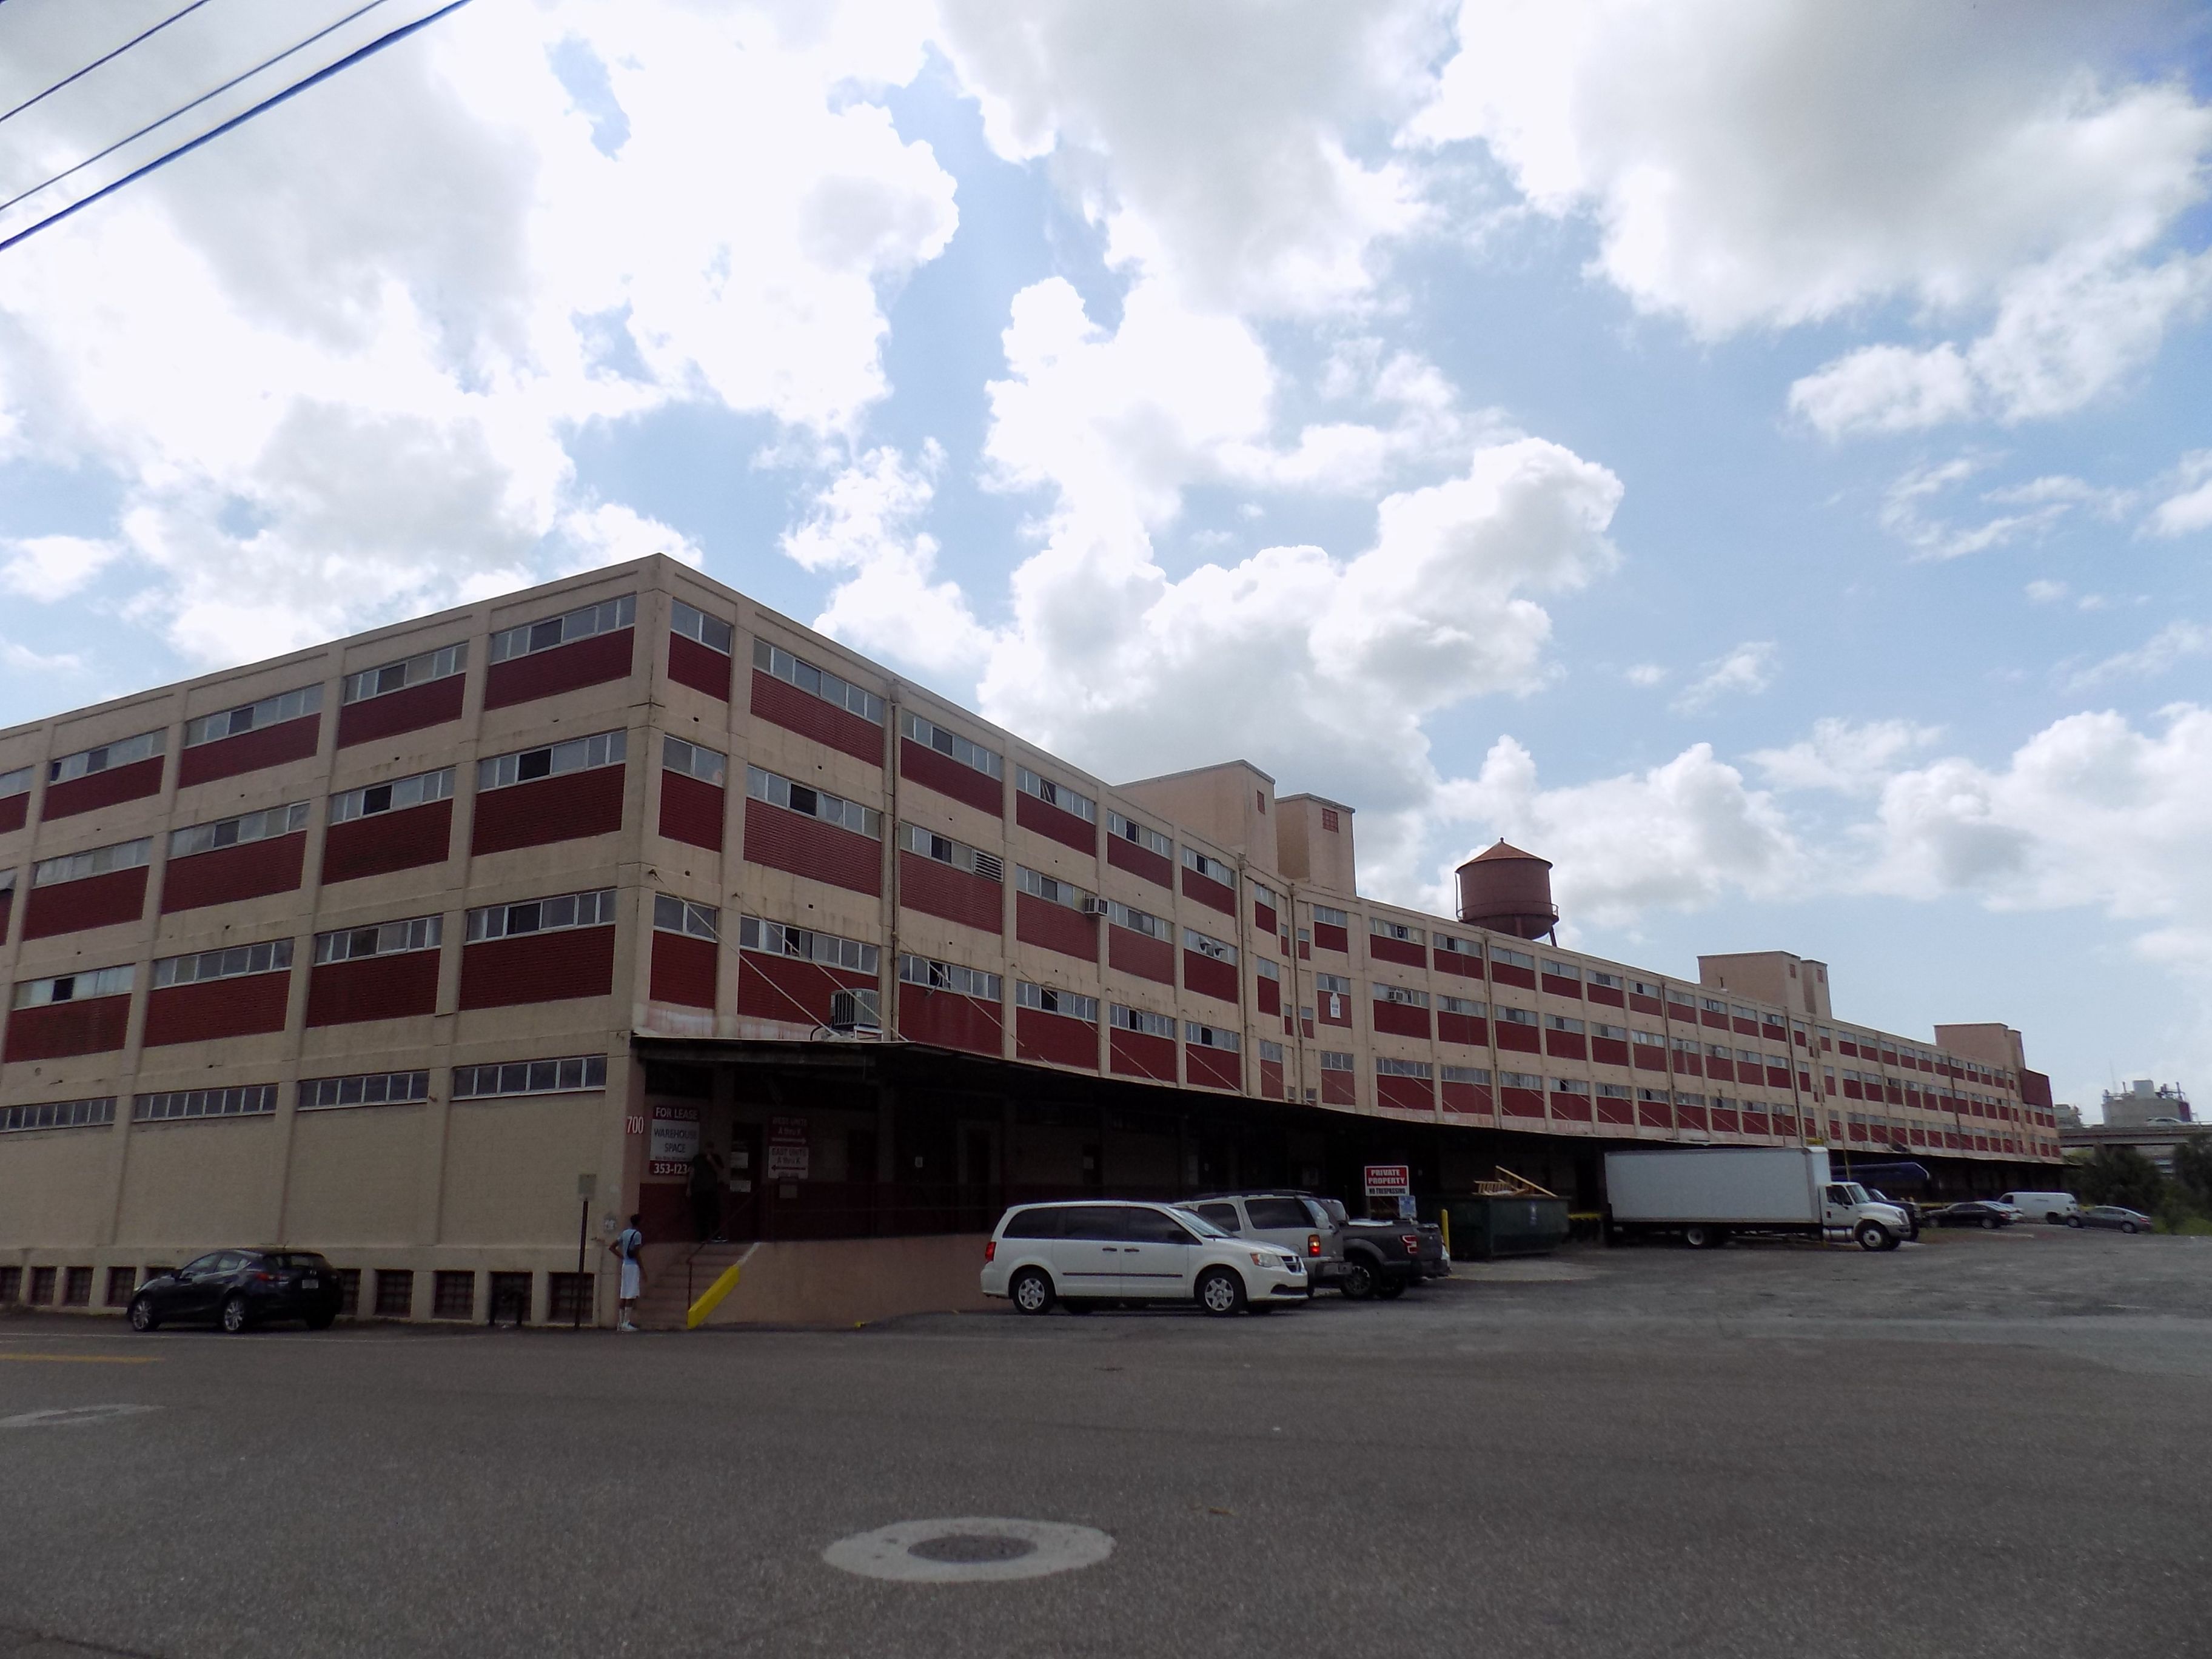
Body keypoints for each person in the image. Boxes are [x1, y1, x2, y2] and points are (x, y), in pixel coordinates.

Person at [608, 1213, 643, 1331]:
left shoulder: (625, 1233)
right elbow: (637, 1253)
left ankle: (620, 1322)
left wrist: (622, 1257)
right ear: (639, 1223)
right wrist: (642, 1268)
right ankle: (626, 1322)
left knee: (624, 1292)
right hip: (633, 1266)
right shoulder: (637, 1235)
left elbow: (612, 1247)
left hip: (625, 1265)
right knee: (631, 1293)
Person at [688, 1148, 725, 1243]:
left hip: (712, 1190)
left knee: (715, 1213)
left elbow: (720, 1171)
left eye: (710, 1147)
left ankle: (716, 1236)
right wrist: (689, 1188)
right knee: (701, 1215)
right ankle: (703, 1237)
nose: (708, 1150)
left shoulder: (716, 1158)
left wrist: (712, 1161)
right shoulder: (697, 1158)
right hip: (699, 1190)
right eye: (707, 1147)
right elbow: (692, 1172)